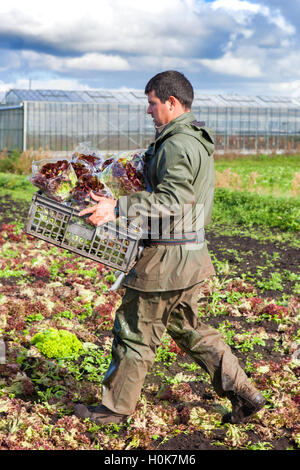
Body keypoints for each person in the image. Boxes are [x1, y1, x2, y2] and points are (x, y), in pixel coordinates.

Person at [74, 70, 265, 426]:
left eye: (152, 103)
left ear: (171, 103)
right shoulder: (192, 138)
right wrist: (119, 198)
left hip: (166, 262)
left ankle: (112, 411)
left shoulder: (177, 143)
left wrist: (117, 208)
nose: (149, 111)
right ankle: (244, 394)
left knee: (134, 331)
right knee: (190, 329)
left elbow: (174, 199)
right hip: (191, 258)